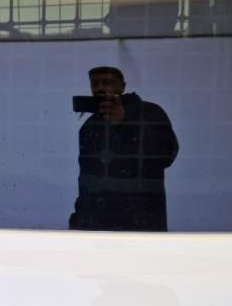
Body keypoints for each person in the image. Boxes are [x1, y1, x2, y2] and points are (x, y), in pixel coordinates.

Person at [70, 66, 179, 231]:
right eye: (95, 83)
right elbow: (86, 179)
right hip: (96, 226)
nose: (100, 88)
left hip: (141, 224)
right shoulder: (90, 126)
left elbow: (166, 155)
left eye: (107, 82)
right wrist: (78, 219)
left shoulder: (149, 113)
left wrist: (125, 123)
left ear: (122, 86)